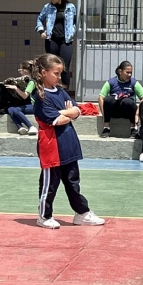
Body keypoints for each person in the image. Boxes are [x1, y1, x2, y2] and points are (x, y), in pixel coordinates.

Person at [31, 53, 104, 229]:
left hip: (68, 143)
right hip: (52, 147)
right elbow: (58, 120)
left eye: (60, 73)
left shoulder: (61, 91)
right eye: (55, 73)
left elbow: (77, 111)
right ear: (43, 73)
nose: (59, 77)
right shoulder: (41, 97)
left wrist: (65, 113)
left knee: (73, 182)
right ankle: (44, 216)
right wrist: (66, 113)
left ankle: (82, 213)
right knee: (50, 184)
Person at [36, 0, 77, 89]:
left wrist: (73, 31)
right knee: (51, 66)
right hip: (52, 40)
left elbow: (76, 22)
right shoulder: (48, 7)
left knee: (64, 66)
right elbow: (40, 19)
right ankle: (51, 89)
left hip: (66, 40)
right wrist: (41, 31)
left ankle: (65, 91)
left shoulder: (70, 7)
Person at [98, 60, 143, 138]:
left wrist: (137, 114)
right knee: (108, 99)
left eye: (131, 73)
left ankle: (133, 128)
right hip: (114, 112)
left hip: (128, 112)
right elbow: (101, 97)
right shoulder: (111, 82)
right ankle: (106, 127)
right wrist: (104, 114)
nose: (129, 75)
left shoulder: (134, 83)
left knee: (127, 101)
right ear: (120, 71)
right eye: (127, 72)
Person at [0, 61, 38, 136]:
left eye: (20, 70)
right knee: (10, 109)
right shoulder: (28, 81)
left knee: (16, 110)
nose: (20, 72)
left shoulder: (32, 82)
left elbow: (25, 96)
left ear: (25, 71)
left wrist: (15, 88)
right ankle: (20, 127)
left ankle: (31, 127)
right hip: (31, 105)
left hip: (36, 106)